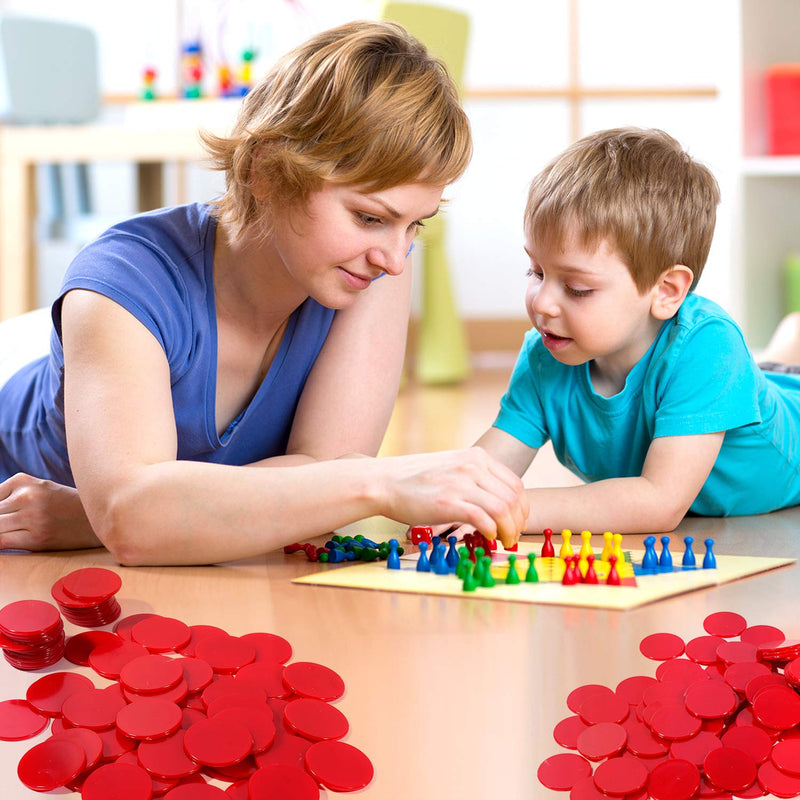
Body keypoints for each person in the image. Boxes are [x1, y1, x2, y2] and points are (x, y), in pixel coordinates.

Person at [0, 21, 527, 564]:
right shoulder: (122, 282)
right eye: (369, 217)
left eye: (415, 225)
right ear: (265, 171)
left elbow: (327, 471)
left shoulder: (375, 265)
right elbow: (134, 522)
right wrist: (384, 481)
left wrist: (106, 514)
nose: (395, 259)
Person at [469, 127, 800, 535]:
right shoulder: (545, 355)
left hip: (788, 428)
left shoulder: (709, 345)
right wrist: (455, 497)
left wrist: (507, 508)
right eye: (536, 272)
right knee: (774, 364)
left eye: (577, 288)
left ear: (665, 292)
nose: (541, 303)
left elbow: (657, 503)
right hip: (739, 386)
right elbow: (484, 472)